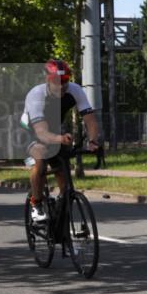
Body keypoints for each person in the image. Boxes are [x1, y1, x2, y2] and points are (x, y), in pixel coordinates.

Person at [21, 59, 100, 222]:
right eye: (57, 82)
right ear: (47, 80)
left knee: (63, 170)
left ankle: (61, 208)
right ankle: (36, 204)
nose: (62, 86)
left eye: (65, 81)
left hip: (54, 130)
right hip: (31, 131)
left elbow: (90, 120)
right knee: (40, 161)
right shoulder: (36, 95)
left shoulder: (75, 90)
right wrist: (60, 138)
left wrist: (93, 141)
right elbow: (41, 133)